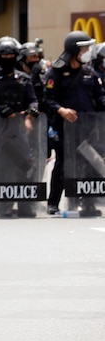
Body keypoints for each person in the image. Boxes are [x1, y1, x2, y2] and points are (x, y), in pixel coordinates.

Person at [44, 30, 105, 216]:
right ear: (74, 50)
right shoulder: (56, 72)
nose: (88, 51)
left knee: (89, 165)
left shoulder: (90, 73)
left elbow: (100, 99)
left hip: (88, 127)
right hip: (64, 128)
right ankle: (53, 202)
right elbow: (47, 99)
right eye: (85, 48)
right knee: (63, 163)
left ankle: (87, 203)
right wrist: (61, 110)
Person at [0, 37, 40, 217]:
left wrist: (33, 109)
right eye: (5, 55)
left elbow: (33, 99)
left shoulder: (23, 79)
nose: (8, 57)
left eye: (11, 54)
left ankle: (24, 205)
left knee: (24, 167)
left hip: (18, 132)